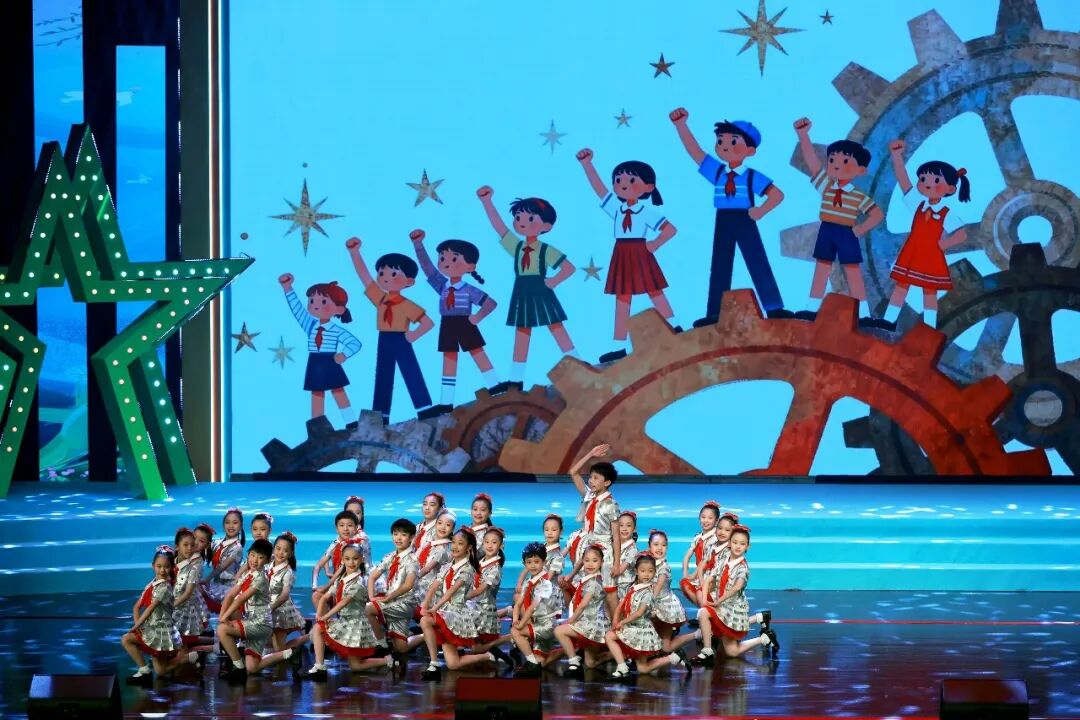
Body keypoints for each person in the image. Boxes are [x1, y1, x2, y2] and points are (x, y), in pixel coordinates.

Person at [669, 107, 789, 323]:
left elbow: (777, 195)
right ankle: (714, 314)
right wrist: (681, 126)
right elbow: (695, 153)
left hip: (744, 218)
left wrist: (761, 210)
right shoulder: (718, 172)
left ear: (750, 151)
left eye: (733, 142)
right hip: (723, 218)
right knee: (720, 264)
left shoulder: (751, 176)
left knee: (757, 260)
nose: (725, 146)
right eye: (720, 141)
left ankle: (774, 308)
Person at [575, 150, 682, 363]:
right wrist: (587, 164)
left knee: (655, 291)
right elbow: (599, 190)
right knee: (622, 298)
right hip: (622, 252)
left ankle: (675, 326)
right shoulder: (617, 208)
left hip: (639, 251)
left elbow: (670, 229)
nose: (623, 184)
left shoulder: (646, 212)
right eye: (618, 180)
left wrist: (654, 244)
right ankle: (619, 346)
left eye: (631, 180)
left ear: (648, 187)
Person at [476, 185, 579, 388]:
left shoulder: (545, 249)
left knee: (555, 326)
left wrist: (553, 281)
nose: (522, 222)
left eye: (530, 218)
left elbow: (569, 268)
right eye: (518, 218)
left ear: (546, 226)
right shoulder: (517, 247)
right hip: (522, 290)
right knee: (522, 331)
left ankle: (579, 363)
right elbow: (500, 227)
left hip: (540, 288)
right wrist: (487, 202)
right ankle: (516, 379)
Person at [792, 117, 885, 324]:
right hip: (827, 230)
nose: (836, 165)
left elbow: (877, 214)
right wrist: (804, 135)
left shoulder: (858, 196)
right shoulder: (827, 186)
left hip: (846, 232)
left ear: (861, 170)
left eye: (845, 162)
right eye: (832, 160)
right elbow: (812, 163)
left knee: (853, 272)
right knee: (821, 268)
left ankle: (864, 315)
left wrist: (860, 230)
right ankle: (811, 308)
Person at [410, 228, 504, 418]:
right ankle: (446, 402)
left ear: (470, 267)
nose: (446, 263)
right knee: (449, 359)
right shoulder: (441, 285)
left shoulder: (469, 289)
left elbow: (490, 303)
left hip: (465, 322)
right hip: (447, 323)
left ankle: (495, 385)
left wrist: (478, 317)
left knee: (477, 352)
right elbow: (427, 267)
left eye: (454, 259)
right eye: (442, 258)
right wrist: (418, 245)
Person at [882, 141, 972, 329]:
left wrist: (943, 245)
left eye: (936, 180)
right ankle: (888, 321)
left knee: (929, 292)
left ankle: (929, 328)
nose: (927, 183)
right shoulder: (919, 205)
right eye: (923, 179)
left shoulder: (946, 213)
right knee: (901, 287)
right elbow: (904, 182)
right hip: (912, 252)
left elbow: (961, 234)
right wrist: (897, 156)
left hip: (931, 255)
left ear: (950, 189)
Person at [345, 237, 436, 422]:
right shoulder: (381, 299)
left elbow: (428, 323)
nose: (385, 277)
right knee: (383, 375)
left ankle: (425, 409)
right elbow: (365, 277)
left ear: (409, 281)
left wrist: (413, 336)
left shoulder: (407, 304)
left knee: (411, 371)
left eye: (393, 274)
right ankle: (381, 415)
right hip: (384, 338)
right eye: (381, 273)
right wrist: (355, 253)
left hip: (401, 339)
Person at [298, 542, 394, 680]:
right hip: (345, 621)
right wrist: (319, 614)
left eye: (355, 559)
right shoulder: (341, 577)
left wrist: (326, 617)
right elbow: (325, 596)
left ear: (361, 560)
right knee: (319, 628)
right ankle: (319, 667)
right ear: (342, 560)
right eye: (347, 559)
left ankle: (388, 660)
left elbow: (343, 603)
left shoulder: (358, 582)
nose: (351, 562)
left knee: (355, 666)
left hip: (355, 625)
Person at [278, 273, 362, 428]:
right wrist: (288, 288)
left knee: (338, 391)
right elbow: (297, 310)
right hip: (315, 362)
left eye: (323, 301)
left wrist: (344, 354)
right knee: (317, 393)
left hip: (330, 361)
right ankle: (318, 426)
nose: (315, 305)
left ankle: (351, 422)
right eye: (311, 301)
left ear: (339, 309)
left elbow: (354, 343)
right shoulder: (310, 325)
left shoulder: (336, 330)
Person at [215, 539, 301, 683]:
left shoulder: (260, 578)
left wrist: (224, 618)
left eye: (260, 557)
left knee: (222, 629)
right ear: (248, 554)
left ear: (267, 560)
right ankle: (290, 653)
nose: (255, 560)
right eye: (253, 555)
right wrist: (221, 617)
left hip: (259, 623)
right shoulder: (248, 574)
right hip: (254, 621)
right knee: (252, 667)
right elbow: (230, 595)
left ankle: (238, 668)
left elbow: (240, 599)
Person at [693, 526, 777, 667]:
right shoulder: (724, 559)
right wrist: (705, 599)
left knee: (731, 651)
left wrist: (718, 601)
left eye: (742, 544)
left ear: (748, 547)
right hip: (721, 605)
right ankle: (707, 651)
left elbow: (737, 587)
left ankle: (764, 639)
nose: (738, 546)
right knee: (704, 612)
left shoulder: (743, 568)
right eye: (735, 542)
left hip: (732, 610)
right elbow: (710, 578)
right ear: (729, 543)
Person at [121, 545, 202, 685]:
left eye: (166, 567)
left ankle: (187, 658)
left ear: (172, 568)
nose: (162, 570)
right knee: (160, 670)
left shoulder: (164, 587)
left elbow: (150, 608)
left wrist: (136, 626)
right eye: (159, 566)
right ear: (153, 566)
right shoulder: (152, 583)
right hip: (150, 626)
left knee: (159, 670)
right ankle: (145, 670)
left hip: (160, 631)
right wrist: (138, 626)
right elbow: (137, 607)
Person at [604, 554, 691, 680]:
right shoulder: (633, 587)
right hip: (631, 626)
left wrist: (622, 622)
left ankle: (623, 668)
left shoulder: (648, 592)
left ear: (655, 573)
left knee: (610, 637)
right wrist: (616, 619)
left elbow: (639, 613)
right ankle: (674, 657)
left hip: (640, 631)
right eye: (643, 571)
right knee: (642, 668)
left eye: (650, 571)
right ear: (636, 571)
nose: (646, 574)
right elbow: (621, 605)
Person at [367, 518, 420, 663]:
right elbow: (372, 576)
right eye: (395, 534)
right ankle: (426, 635)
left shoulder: (412, 560)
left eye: (403, 534)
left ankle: (382, 644)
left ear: (411, 537)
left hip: (405, 603)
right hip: (391, 601)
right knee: (401, 648)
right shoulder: (390, 556)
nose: (398, 538)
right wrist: (372, 596)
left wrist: (387, 597)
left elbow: (408, 585)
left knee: (368, 609)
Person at [554, 543, 610, 678]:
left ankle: (574, 662)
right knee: (590, 663)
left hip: (590, 625)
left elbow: (583, 605)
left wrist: (571, 620)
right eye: (587, 560)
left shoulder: (594, 582)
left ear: (601, 562)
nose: (590, 564)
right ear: (582, 561)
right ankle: (617, 655)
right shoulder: (589, 579)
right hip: (593, 625)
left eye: (595, 561)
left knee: (559, 631)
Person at [510, 542, 559, 677]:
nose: (532, 565)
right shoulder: (528, 583)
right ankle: (537, 661)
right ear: (524, 564)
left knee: (515, 631)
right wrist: (515, 620)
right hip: (536, 624)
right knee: (541, 662)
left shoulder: (546, 583)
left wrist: (521, 624)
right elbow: (518, 604)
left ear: (544, 562)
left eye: (536, 562)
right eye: (529, 562)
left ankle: (532, 663)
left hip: (546, 625)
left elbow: (532, 607)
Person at [645, 530, 687, 652]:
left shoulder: (664, 567)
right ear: (649, 546)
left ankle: (697, 635)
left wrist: (648, 603)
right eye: (656, 544)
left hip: (665, 607)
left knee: (666, 648)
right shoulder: (647, 562)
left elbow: (658, 586)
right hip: (653, 606)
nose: (660, 548)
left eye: (663, 545)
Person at [311, 510, 360, 609]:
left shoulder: (355, 547)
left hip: (352, 586)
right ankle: (326, 619)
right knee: (316, 596)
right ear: (336, 529)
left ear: (356, 529)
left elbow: (341, 570)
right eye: (341, 525)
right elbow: (319, 565)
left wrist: (325, 587)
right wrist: (314, 585)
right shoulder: (335, 544)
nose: (345, 529)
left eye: (349, 525)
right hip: (337, 584)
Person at [171, 528, 210, 650]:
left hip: (184, 607)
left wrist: (169, 606)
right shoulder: (172, 563)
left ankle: (212, 645)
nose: (189, 548)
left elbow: (187, 593)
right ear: (177, 547)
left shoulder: (193, 568)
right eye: (185, 545)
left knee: (182, 641)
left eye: (192, 545)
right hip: (175, 602)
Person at [201, 507, 245, 613]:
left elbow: (222, 567)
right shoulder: (217, 543)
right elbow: (202, 548)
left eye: (235, 523)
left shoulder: (237, 548)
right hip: (216, 584)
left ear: (241, 526)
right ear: (223, 525)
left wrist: (207, 579)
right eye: (227, 522)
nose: (231, 526)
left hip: (228, 587)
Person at [268, 532, 305, 652]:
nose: (280, 553)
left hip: (280, 610)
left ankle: (309, 636)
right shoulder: (268, 565)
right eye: (278, 548)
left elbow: (284, 595)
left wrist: (270, 608)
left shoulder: (288, 572)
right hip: (266, 606)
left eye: (285, 550)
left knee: (280, 651)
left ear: (290, 553)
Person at [679, 500, 721, 605]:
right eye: (703, 517)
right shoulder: (698, 537)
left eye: (710, 518)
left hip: (712, 575)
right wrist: (685, 574)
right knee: (684, 583)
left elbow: (705, 562)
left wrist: (693, 576)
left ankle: (708, 610)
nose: (706, 520)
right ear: (699, 518)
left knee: (700, 592)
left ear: (716, 521)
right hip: (700, 573)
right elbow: (687, 556)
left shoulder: (716, 538)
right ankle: (704, 609)